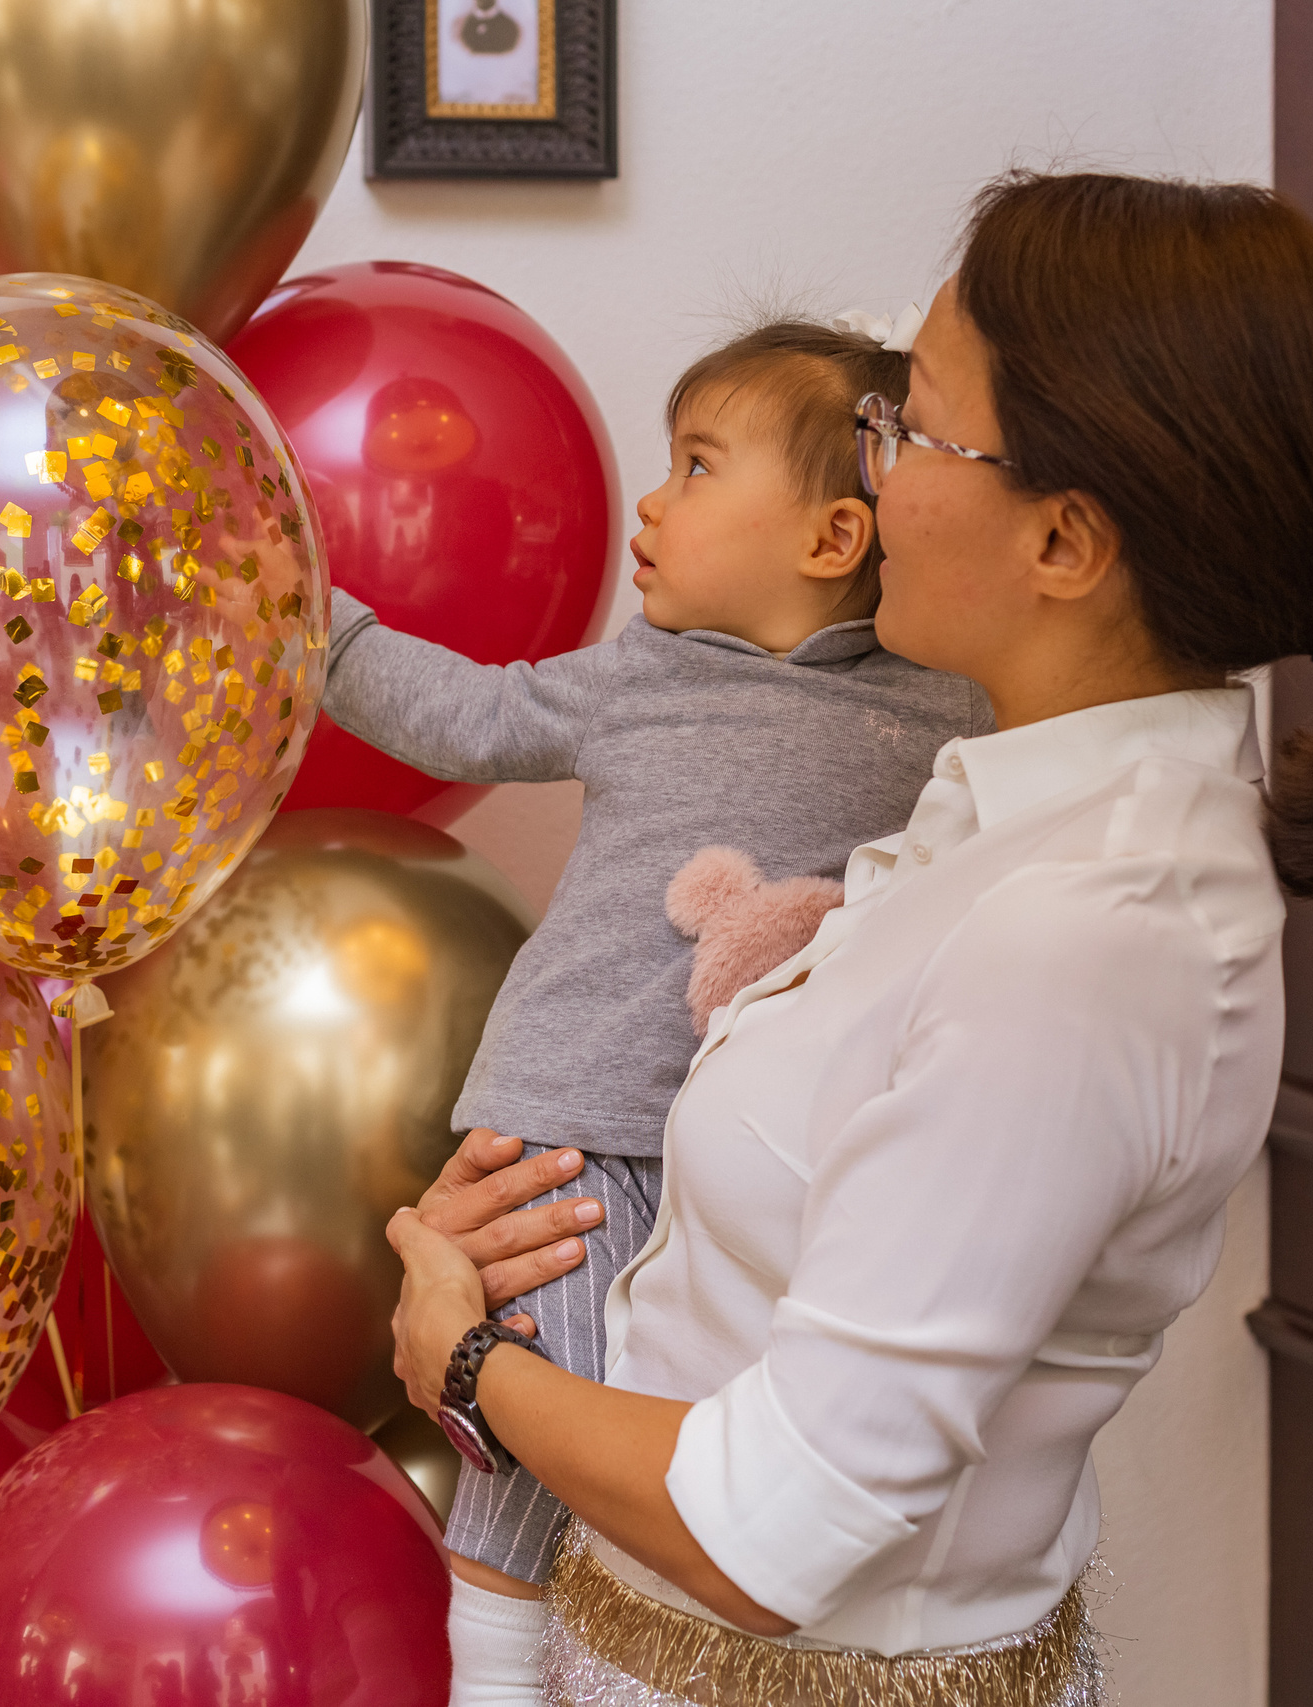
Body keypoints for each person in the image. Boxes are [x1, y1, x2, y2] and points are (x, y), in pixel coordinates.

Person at [390, 171, 1313, 1705]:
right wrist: (524, 1233)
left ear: (1064, 542)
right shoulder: (980, 808)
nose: (880, 479)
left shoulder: (1091, 937)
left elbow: (774, 1527)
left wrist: (461, 1364)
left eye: (913, 428)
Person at [314, 319, 993, 1697]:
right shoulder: (643, 677)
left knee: (696, 1443)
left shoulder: (948, 713)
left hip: (773, 1157)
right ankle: (495, 1683)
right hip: (574, 1130)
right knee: (521, 1427)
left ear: (831, 538)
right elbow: (470, 716)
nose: (651, 500)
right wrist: (311, 621)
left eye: (695, 466)